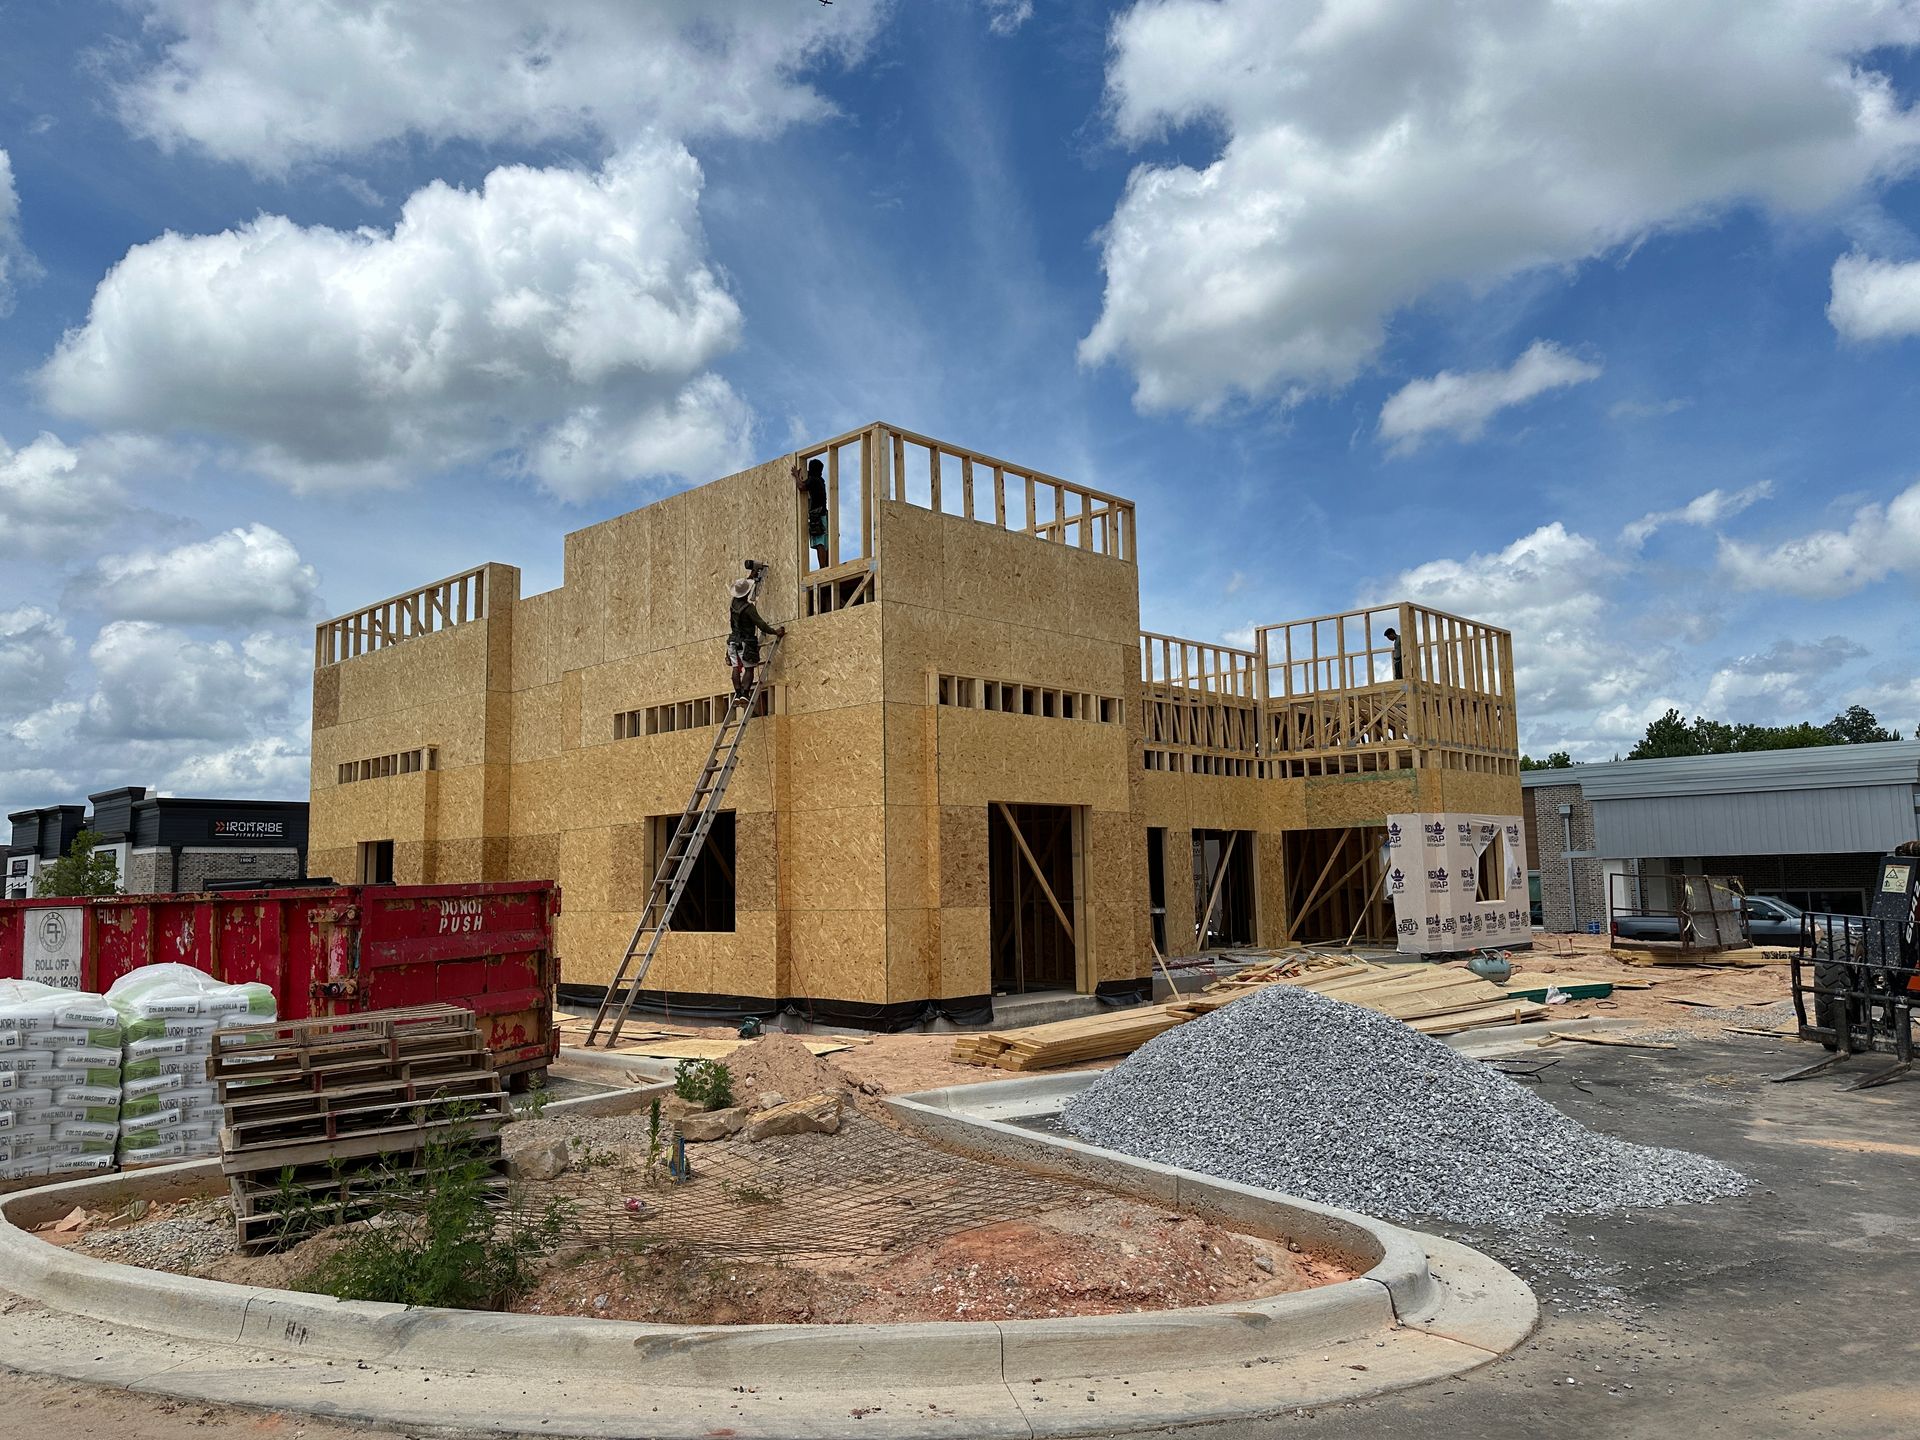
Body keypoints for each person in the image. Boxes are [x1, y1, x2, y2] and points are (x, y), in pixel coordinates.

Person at [728, 576, 784, 700]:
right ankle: (745, 694)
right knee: (749, 669)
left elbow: (741, 590)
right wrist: (775, 632)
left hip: (733, 641)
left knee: (735, 667)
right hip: (745, 643)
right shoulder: (749, 609)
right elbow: (762, 625)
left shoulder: (733, 603)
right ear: (746, 592)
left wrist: (751, 576)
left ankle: (737, 693)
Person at [795, 457, 829, 569]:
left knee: (820, 542)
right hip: (823, 513)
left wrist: (796, 475)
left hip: (817, 514)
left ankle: (823, 567)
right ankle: (826, 566)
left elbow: (801, 487)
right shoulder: (820, 480)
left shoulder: (813, 480)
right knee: (824, 541)